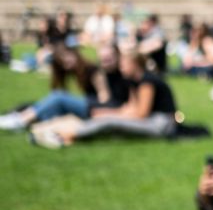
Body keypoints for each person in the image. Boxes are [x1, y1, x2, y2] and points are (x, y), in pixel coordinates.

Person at [29, 48, 178, 148]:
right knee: (106, 119)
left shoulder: (147, 81)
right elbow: (131, 108)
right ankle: (60, 131)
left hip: (162, 124)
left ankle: (64, 136)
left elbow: (141, 113)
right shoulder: (135, 81)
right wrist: (109, 113)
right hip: (151, 119)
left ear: (135, 64)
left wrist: (110, 116)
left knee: (109, 122)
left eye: (124, 64)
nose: (121, 68)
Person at [0, 43, 129, 130]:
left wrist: (101, 113)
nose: (105, 62)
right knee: (51, 105)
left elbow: (104, 98)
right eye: (103, 59)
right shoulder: (94, 70)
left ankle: (20, 120)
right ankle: (19, 118)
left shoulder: (94, 70)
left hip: (95, 107)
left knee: (59, 97)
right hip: (90, 104)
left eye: (109, 58)